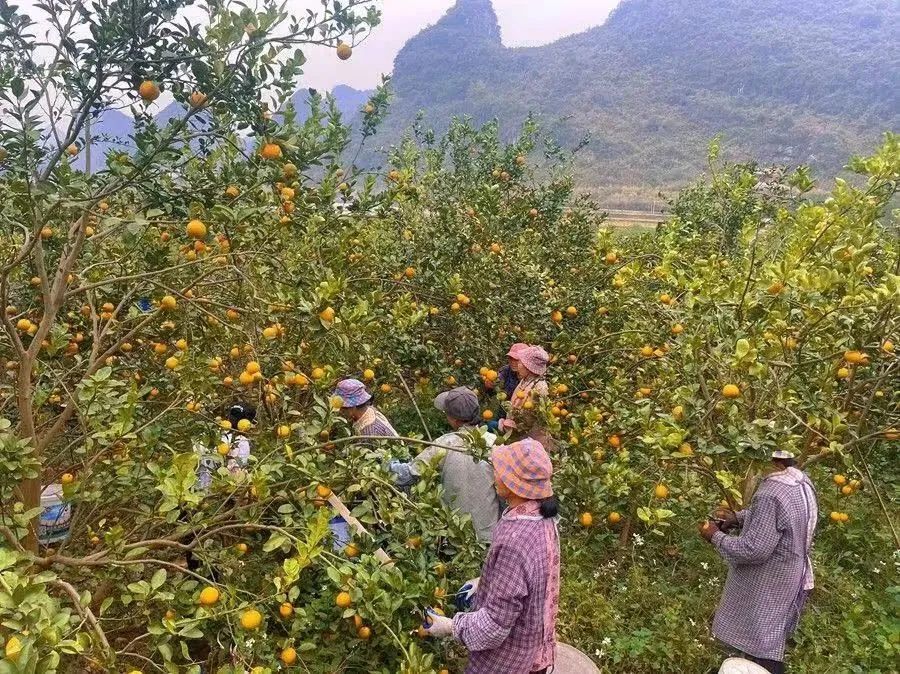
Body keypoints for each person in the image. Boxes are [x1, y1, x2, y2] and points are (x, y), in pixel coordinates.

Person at [424, 439, 560, 674]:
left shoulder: (515, 540)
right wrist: (487, 581)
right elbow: (531, 576)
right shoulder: (541, 518)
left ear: (515, 483)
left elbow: (495, 626)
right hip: (532, 646)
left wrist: (450, 626)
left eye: (501, 471)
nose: (495, 474)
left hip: (507, 660)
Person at [700, 450, 818, 674]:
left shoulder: (770, 493)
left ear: (773, 462)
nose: (750, 468)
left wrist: (714, 536)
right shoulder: (799, 481)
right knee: (768, 637)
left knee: (762, 643)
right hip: (791, 573)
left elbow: (753, 550)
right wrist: (738, 518)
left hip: (769, 580)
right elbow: (778, 518)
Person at [388, 387, 501, 542]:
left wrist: (387, 464)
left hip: (456, 535)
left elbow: (408, 474)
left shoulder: (445, 444)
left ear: (453, 419)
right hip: (489, 532)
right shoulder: (495, 445)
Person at [500, 345, 552, 449]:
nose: (517, 365)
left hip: (531, 445)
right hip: (520, 440)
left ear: (528, 367)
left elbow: (527, 421)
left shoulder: (539, 388)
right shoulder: (525, 381)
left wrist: (508, 425)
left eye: (520, 363)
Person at [197, 402, 255, 491]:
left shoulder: (208, 435)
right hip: (218, 492)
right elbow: (236, 475)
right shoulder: (241, 441)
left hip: (199, 491)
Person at [332, 378, 398, 440]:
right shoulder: (367, 411)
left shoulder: (370, 432)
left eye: (342, 408)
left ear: (353, 407)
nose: (340, 411)